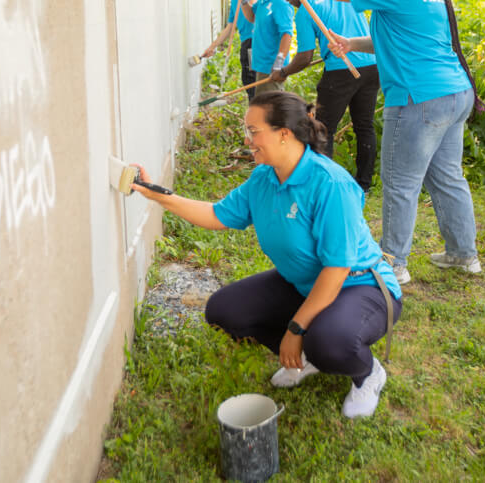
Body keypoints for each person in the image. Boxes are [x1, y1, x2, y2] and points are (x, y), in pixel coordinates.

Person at [132, 91, 402, 419]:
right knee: (225, 310)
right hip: (304, 283)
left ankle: (366, 372)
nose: (247, 139)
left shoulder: (330, 184)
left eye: (253, 131)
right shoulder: (264, 178)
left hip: (360, 286)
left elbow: (336, 270)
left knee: (329, 340)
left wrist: (296, 328)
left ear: (284, 134)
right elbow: (217, 215)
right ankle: (304, 358)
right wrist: (157, 194)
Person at [274, 0, 480, 286]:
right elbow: (406, 37)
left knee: (400, 182)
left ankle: (393, 263)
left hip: (421, 98)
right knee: (448, 177)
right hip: (454, 93)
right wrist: (352, 43)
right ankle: (464, 254)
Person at [274, 0, 381, 192]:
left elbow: (304, 57)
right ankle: (364, 184)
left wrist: (283, 72)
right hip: (372, 66)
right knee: (365, 125)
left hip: (342, 70)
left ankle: (324, 184)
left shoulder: (306, 11)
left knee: (322, 129)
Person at [204, 0, 260, 98]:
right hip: (247, 40)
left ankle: (257, 112)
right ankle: (254, 109)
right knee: (248, 78)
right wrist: (212, 47)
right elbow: (230, 27)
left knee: (252, 79)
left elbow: (253, 6)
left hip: (253, 39)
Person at [241, 0, 294, 94]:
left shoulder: (281, 2)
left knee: (270, 107)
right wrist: (244, 1)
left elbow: (287, 34)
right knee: (263, 105)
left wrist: (279, 61)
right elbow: (252, 17)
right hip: (261, 63)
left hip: (271, 67)